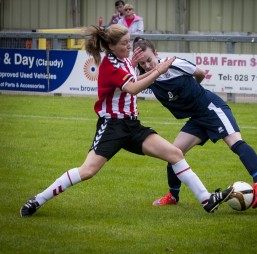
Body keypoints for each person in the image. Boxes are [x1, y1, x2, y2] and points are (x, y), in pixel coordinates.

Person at [20, 24, 233, 217]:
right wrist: (159, 70)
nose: (129, 46)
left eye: (129, 41)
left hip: (132, 126)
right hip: (112, 127)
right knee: (87, 171)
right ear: (111, 46)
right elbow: (132, 87)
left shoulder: (124, 61)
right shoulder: (110, 65)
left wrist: (149, 70)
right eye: (124, 43)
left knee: (175, 154)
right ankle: (38, 199)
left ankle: (206, 200)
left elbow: (135, 79)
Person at [132, 37, 257, 208]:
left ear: (156, 53)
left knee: (235, 143)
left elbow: (200, 73)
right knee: (173, 153)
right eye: (142, 63)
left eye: (149, 60)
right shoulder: (146, 76)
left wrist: (195, 90)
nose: (147, 65)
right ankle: (173, 196)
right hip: (196, 118)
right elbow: (131, 86)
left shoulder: (174, 63)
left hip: (210, 108)